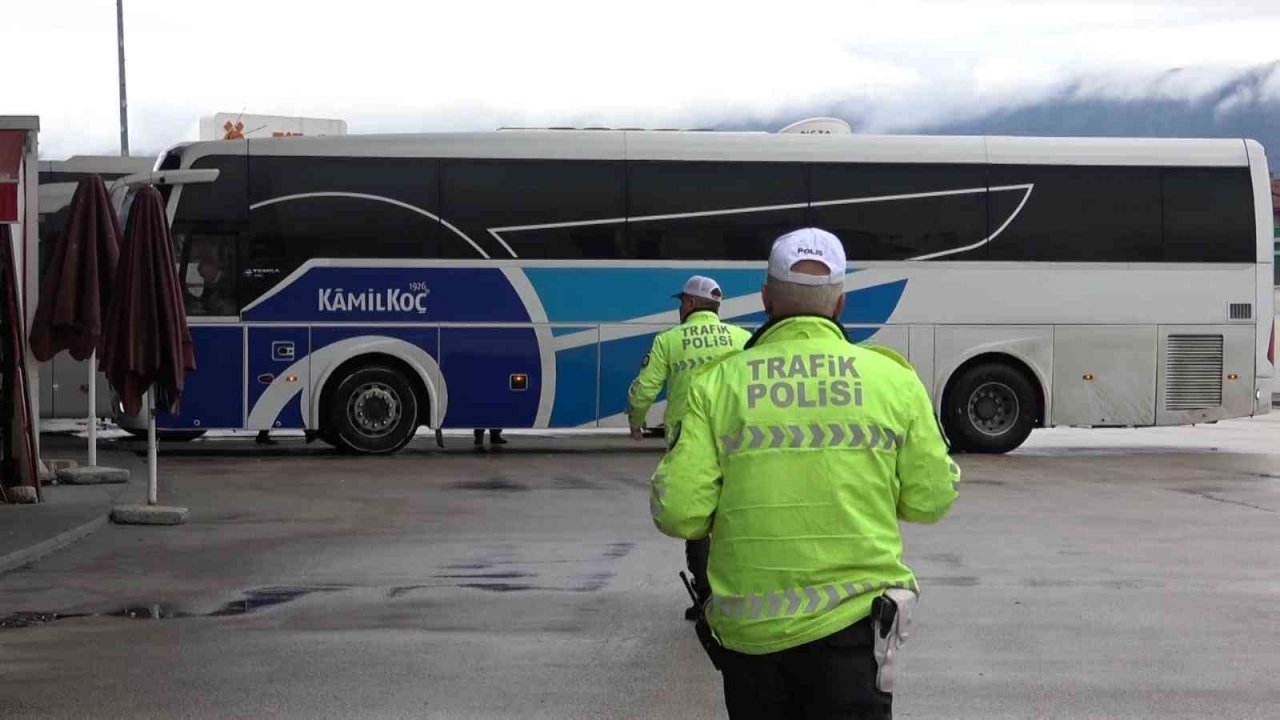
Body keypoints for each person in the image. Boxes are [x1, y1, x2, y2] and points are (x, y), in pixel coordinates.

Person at [649, 228, 960, 719]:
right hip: (856, 632)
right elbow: (931, 500)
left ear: (768, 299)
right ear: (840, 305)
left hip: (751, 646)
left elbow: (678, 514)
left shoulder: (718, 385)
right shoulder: (893, 381)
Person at [627, 275, 750, 620]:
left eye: (682, 302)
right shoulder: (742, 339)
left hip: (689, 440)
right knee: (734, 511)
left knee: (696, 516)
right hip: (736, 436)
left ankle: (706, 594)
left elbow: (645, 387)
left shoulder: (669, 340)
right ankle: (739, 588)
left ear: (692, 304)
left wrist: (636, 420)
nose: (680, 307)